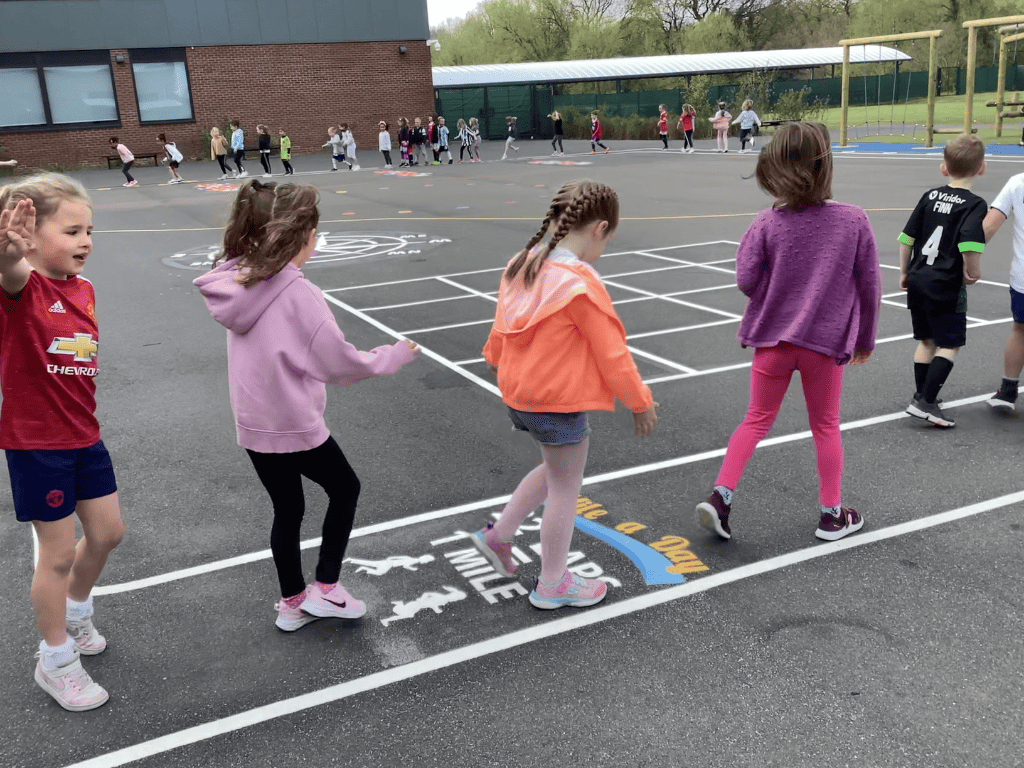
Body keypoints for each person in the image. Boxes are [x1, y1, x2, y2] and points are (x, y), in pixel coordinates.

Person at [193, 180, 419, 632]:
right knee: (345, 488)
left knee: (288, 509)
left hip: (255, 422)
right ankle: (327, 588)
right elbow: (339, 362)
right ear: (302, 236)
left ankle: (292, 602)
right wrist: (392, 354)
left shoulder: (238, 280)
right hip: (293, 422)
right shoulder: (297, 293)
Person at [473, 180, 658, 609]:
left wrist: (494, 355)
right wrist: (640, 403)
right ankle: (553, 583)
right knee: (565, 488)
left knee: (555, 470)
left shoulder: (521, 263)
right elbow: (613, 354)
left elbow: (500, 324)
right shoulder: (578, 285)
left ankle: (499, 537)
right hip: (556, 402)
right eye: (606, 241)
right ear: (599, 230)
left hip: (520, 395)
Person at [695, 122, 881, 543]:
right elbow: (870, 288)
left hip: (772, 341)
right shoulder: (853, 221)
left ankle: (721, 496)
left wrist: (775, 287)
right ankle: (832, 514)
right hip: (824, 343)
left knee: (756, 420)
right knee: (825, 426)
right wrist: (864, 338)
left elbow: (745, 279)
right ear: (824, 164)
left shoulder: (766, 222)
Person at [0, 173, 125, 711]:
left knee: (107, 533)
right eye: (71, 230)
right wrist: (8, 252)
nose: (86, 241)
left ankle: (75, 611)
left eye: (89, 230)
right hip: (36, 444)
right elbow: (8, 270)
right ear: (30, 236)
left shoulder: (84, 289)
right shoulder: (21, 286)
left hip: (83, 435)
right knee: (54, 555)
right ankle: (54, 661)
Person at [899, 134, 987, 428]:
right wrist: (972, 270)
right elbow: (969, 243)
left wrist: (903, 271)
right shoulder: (974, 204)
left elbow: (906, 238)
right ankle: (926, 402)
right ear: (982, 168)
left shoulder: (929, 196)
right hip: (945, 283)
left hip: (919, 277)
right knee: (949, 344)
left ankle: (922, 396)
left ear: (943, 168)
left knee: (926, 340)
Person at [983, 167, 1024, 410]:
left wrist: (964, 257)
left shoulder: (1018, 183)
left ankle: (1007, 392)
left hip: (1023, 278)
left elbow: (988, 228)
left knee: (1020, 329)